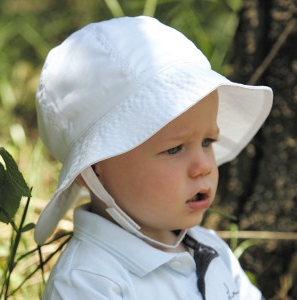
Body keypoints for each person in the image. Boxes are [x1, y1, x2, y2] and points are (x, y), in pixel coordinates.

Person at [34, 16, 273, 300]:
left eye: (208, 142)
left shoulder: (211, 249)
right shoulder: (87, 281)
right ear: (93, 170)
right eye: (174, 149)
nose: (205, 166)